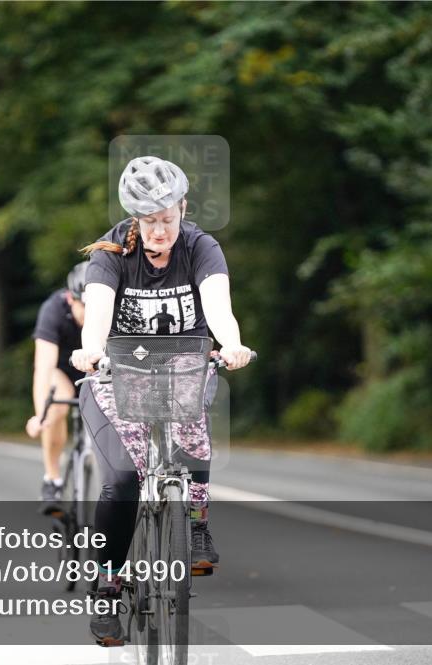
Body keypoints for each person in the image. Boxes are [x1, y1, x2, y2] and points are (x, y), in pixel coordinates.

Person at [71, 156, 252, 646]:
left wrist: (230, 343)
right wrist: (90, 350)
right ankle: (108, 585)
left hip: (182, 365)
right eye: (149, 223)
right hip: (116, 371)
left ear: (183, 209)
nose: (159, 233)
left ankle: (195, 523)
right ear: (135, 219)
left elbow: (219, 307)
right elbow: (98, 313)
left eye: (167, 221)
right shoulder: (110, 253)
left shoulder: (200, 246)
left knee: (190, 422)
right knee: (125, 476)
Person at [25, 262, 88, 514]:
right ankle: (52, 479)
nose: (91, 313)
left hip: (96, 369)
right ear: (70, 299)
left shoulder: (113, 309)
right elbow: (43, 367)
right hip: (61, 370)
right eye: (85, 306)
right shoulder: (52, 310)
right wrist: (41, 414)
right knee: (58, 403)